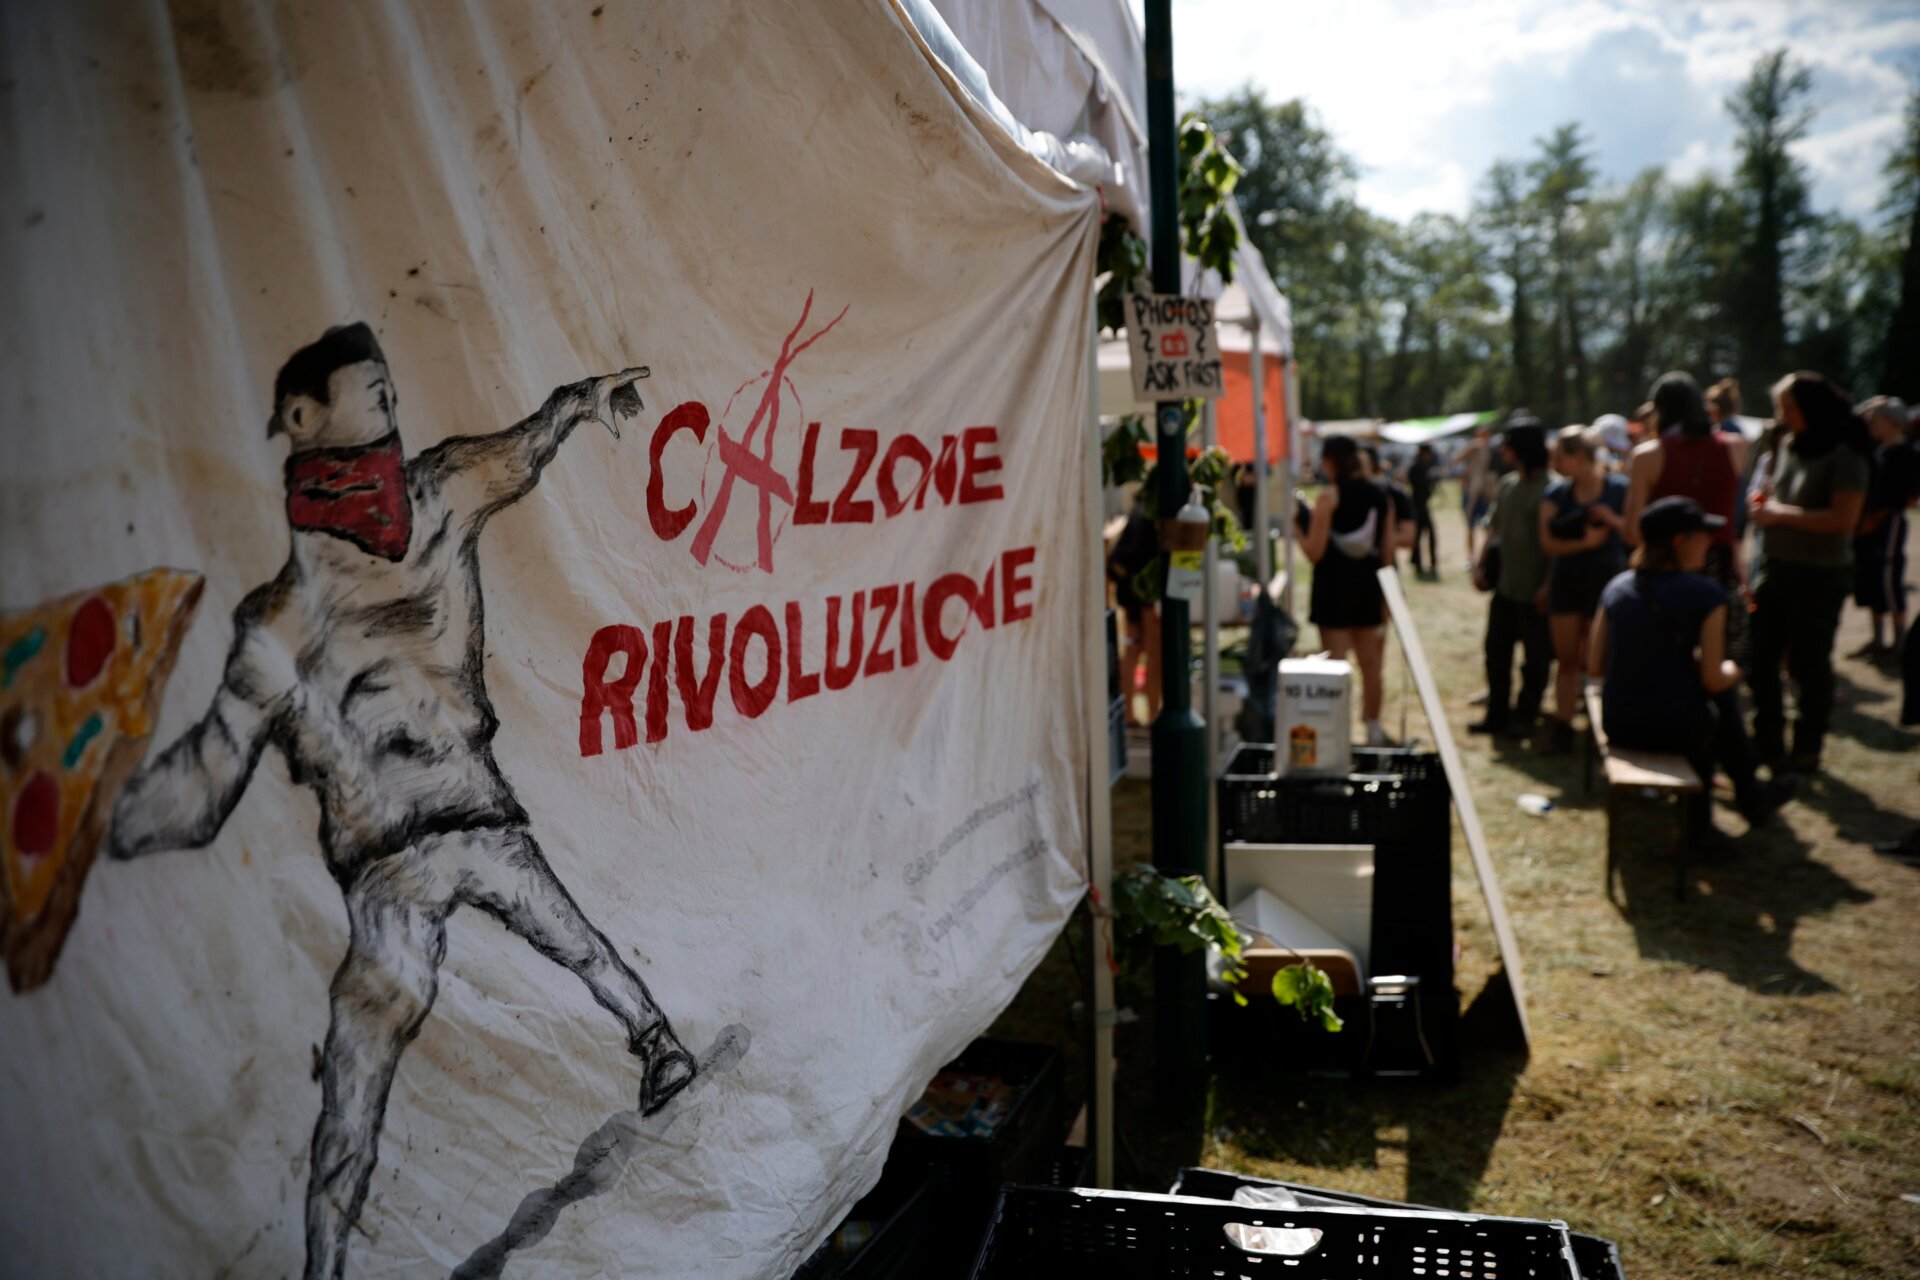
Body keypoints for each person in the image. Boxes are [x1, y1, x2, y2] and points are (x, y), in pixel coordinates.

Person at [105, 323, 705, 1277]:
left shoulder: (437, 494)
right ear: (303, 417)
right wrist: (107, 818)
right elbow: (210, 780)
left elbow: (520, 449)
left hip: (475, 810)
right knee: (359, 1066)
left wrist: (579, 404)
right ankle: (327, 1263)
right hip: (384, 855)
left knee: (561, 928)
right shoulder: (283, 616)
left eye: (387, 376)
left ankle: (655, 1038)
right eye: (363, 383)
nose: (385, 387)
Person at [1589, 497, 1796, 849]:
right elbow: (1713, 679)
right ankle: (1737, 806)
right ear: (1679, 542)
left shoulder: (1617, 586)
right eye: (1702, 535)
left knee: (1707, 703)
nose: (1709, 542)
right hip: (1670, 731)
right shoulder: (1705, 593)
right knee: (1719, 699)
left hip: (1619, 723)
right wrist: (1738, 669)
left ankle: (1747, 800)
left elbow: (1594, 665)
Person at [1747, 371, 1874, 772]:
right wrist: (1764, 506)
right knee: (1760, 658)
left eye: (1790, 408)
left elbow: (1844, 519)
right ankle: (1767, 740)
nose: (1784, 417)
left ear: (1811, 407)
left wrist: (1778, 514)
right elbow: (1778, 497)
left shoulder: (1845, 452)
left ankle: (1807, 746)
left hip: (1819, 575)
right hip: (1775, 567)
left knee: (1809, 663)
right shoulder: (1787, 444)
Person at [1624, 372, 1749, 664]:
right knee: (1717, 658)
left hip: (1665, 568)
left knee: (1668, 659)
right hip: (1720, 565)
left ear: (1660, 409)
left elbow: (1631, 532)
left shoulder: (1646, 455)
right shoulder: (1736, 446)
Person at [1301, 435, 1397, 746]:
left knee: (1336, 664)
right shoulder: (1381, 495)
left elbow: (1314, 551)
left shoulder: (1329, 497)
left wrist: (1295, 527)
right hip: (1369, 588)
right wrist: (1387, 599)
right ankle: (1373, 726)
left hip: (1333, 590)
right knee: (1371, 664)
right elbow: (1387, 554)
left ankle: (1336, 731)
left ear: (1331, 461)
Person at [1537, 425, 1627, 753]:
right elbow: (1547, 543)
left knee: (1597, 662)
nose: (1555, 463)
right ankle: (1563, 727)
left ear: (1579, 457)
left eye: (1560, 456)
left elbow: (1635, 532)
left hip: (1605, 584)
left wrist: (1611, 520)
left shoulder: (1618, 489)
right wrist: (1586, 542)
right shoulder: (1556, 494)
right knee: (1567, 659)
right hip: (1568, 582)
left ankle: (1599, 730)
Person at [1469, 415, 1553, 738]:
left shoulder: (1551, 489)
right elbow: (1493, 530)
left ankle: (1525, 717)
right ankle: (1497, 715)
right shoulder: (1507, 485)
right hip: (1506, 588)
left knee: (1535, 660)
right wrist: (1479, 565)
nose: (1502, 450)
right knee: (1496, 653)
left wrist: (1547, 587)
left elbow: (1555, 551)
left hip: (1534, 591)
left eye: (1508, 445)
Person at [1848, 396, 1917, 659]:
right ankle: (1878, 640)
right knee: (1872, 578)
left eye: (1876, 419)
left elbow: (1907, 496)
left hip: (1888, 523)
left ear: (1891, 421)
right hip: (1869, 524)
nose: (1871, 423)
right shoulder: (1877, 451)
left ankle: (1898, 643)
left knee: (1889, 579)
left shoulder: (1906, 453)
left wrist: (1875, 518)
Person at [1108, 499, 1162, 724]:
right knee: (1153, 655)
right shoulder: (1153, 512)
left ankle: (1130, 715)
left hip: (1130, 592)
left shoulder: (1139, 510)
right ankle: (1152, 716)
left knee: (1132, 654)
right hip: (1144, 597)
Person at [1362, 442, 1416, 569]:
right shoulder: (1340, 495)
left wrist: (1380, 540)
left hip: (1385, 565)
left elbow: (1408, 536)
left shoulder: (1393, 493)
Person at [1461, 426, 1498, 563]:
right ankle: (1471, 558)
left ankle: (1487, 556)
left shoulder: (1494, 450)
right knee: (1471, 527)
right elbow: (1458, 460)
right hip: (1472, 493)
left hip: (1486, 494)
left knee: (1488, 528)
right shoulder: (1474, 449)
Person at [1408, 442, 1440, 577]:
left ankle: (1418, 562)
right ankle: (1423, 563)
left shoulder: (1417, 466)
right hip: (1419, 505)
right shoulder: (1418, 467)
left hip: (1419, 504)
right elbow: (1422, 485)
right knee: (1426, 535)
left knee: (1420, 535)